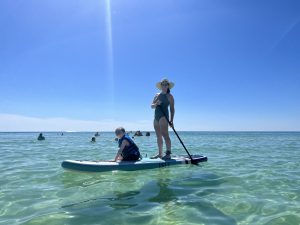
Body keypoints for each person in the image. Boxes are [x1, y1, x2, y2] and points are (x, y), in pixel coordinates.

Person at [151, 78, 175, 159]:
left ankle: (168, 153)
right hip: (156, 117)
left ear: (168, 86)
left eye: (166, 84)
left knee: (165, 134)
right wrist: (156, 104)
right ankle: (160, 153)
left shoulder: (170, 96)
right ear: (161, 86)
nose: (164, 86)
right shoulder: (157, 95)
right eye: (163, 84)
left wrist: (171, 120)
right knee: (158, 136)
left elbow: (172, 109)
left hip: (164, 116)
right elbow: (152, 106)